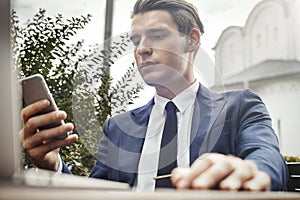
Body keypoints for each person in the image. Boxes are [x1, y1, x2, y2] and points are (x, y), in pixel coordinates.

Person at [20, 0, 288, 191]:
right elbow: (96, 190)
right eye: (136, 41)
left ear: (192, 40)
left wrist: (252, 172)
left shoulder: (239, 106)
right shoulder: (118, 128)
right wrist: (52, 164)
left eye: (157, 35)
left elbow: (267, 158)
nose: (142, 49)